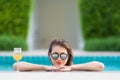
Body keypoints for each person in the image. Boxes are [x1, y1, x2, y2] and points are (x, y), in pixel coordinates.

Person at [13, 38, 104, 72]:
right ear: (50, 55)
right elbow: (16, 65)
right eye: (55, 55)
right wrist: (45, 67)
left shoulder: (73, 69)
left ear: (68, 56)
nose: (59, 59)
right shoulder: (46, 69)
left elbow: (100, 66)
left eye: (63, 55)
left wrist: (71, 68)